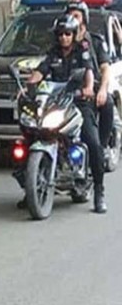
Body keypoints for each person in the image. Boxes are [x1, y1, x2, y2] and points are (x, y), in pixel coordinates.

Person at [26, 14, 106, 213]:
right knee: (30, 132)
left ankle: (99, 191)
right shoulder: (53, 53)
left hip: (79, 102)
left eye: (68, 33)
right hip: (56, 103)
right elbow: (40, 72)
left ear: (74, 34)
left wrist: (88, 88)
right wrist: (29, 86)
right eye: (61, 34)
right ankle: (30, 188)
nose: (64, 37)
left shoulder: (82, 51)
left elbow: (88, 71)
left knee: (93, 142)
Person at [65, 0, 114, 162]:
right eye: (69, 15)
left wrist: (102, 90)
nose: (72, 19)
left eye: (76, 16)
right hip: (67, 89)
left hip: (91, 89)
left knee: (107, 103)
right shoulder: (63, 40)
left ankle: (102, 147)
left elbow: (105, 68)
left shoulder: (95, 41)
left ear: (84, 19)